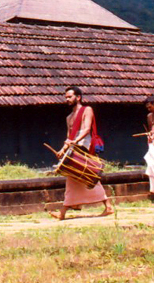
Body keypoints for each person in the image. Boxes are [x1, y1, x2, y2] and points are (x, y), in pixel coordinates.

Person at [49, 86, 114, 220]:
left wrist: (75, 142)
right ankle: (107, 206)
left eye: (70, 96)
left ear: (78, 97)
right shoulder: (69, 117)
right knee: (82, 176)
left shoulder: (87, 110)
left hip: (84, 146)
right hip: (74, 146)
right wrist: (62, 150)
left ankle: (63, 212)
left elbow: (86, 129)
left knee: (79, 175)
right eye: (66, 97)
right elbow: (69, 137)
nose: (67, 99)